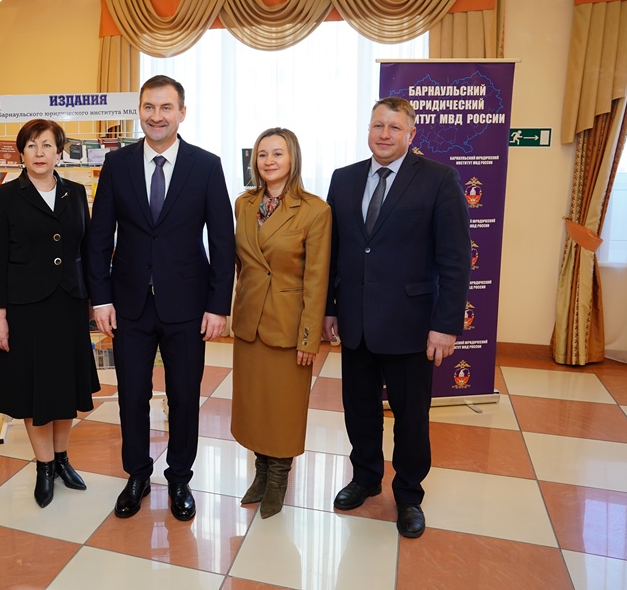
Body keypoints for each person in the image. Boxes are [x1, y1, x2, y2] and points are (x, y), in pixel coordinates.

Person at [322, 97, 471, 539]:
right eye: (377, 126)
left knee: (411, 416)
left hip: (412, 324)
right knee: (359, 410)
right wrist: (330, 308)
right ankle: (366, 477)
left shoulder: (439, 179)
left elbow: (455, 259)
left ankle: (408, 494)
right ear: (368, 130)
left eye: (394, 127)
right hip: (355, 322)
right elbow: (333, 252)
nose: (384, 134)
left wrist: (445, 325)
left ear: (411, 134)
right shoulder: (344, 179)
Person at [88, 75, 235, 522]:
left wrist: (218, 305)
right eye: (149, 107)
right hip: (128, 304)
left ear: (181, 113)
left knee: (184, 396)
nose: (157, 116)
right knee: (132, 395)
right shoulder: (117, 165)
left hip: (188, 305)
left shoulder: (206, 165)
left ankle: (180, 478)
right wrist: (100, 298)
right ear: (140, 111)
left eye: (166, 107)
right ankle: (136, 474)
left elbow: (223, 241)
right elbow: (100, 236)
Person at [0, 119, 100, 509]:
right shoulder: (5, 195)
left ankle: (63, 459)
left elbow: (84, 248)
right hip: (25, 308)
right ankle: (45, 466)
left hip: (69, 303)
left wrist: (93, 298)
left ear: (59, 152)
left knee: (66, 385)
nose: (39, 153)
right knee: (35, 389)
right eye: (32, 145)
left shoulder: (75, 192)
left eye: (47, 145)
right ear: (21, 152)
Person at [231, 127, 331, 519]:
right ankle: (260, 473)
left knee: (283, 408)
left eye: (277, 153)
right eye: (262, 154)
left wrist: (309, 338)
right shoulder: (244, 203)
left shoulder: (314, 210)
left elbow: (317, 280)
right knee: (255, 405)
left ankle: (278, 479)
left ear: (293, 159)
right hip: (249, 322)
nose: (269, 161)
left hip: (288, 326)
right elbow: (240, 264)